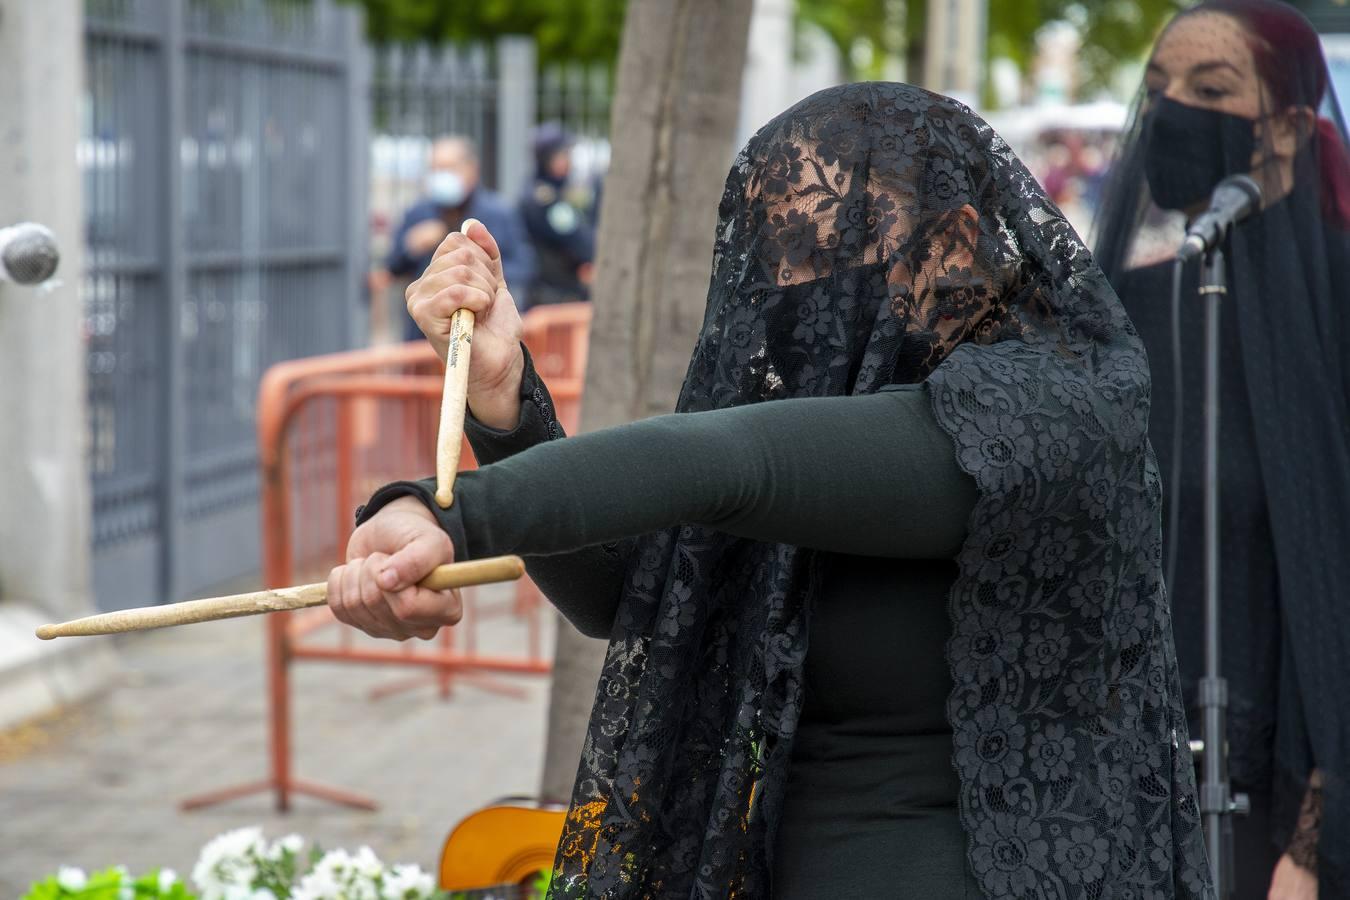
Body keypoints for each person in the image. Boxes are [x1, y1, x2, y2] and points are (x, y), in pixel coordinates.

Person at [330, 84, 1212, 898]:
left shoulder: (1054, 406)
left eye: (831, 242)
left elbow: (730, 464)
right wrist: (502, 400)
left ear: (954, 241)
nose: (795, 286)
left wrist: (437, 512)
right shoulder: (838, 395)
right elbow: (629, 592)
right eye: (774, 249)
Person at [1093, 2, 1350, 897]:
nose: (1173, 112)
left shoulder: (1340, 311)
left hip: (1289, 821)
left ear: (1284, 128)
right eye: (1159, 88)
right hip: (1124, 798)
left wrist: (1316, 848)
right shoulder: (1122, 315)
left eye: (1211, 89)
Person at [385, 136, 534, 335]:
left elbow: (525, 267)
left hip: (478, 331)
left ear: (472, 169)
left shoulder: (498, 213)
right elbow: (392, 267)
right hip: (424, 335)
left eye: (449, 168)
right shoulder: (418, 213)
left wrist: (480, 273)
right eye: (436, 169)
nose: (442, 176)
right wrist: (410, 247)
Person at [518, 124, 596, 309]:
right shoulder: (544, 200)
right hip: (553, 296)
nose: (569, 161)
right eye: (563, 155)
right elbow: (577, 239)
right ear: (547, 159)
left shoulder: (554, 192)